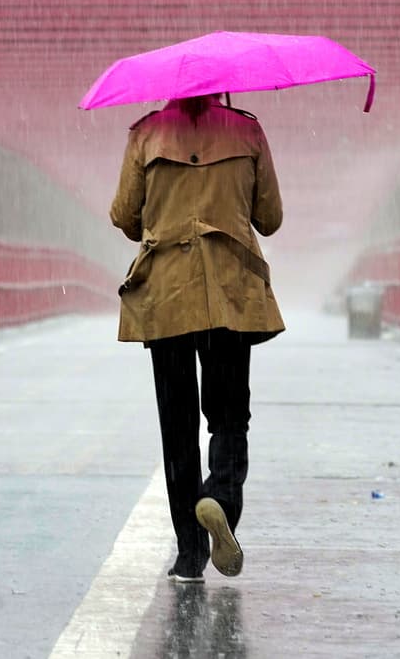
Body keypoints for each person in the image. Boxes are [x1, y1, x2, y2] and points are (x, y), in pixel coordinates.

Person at [109, 92, 284, 583]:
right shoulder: (246, 131)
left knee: (177, 426)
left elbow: (125, 216)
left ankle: (189, 555)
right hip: (230, 294)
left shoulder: (146, 133)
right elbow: (269, 219)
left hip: (165, 297)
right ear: (223, 86)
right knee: (229, 415)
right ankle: (220, 498)